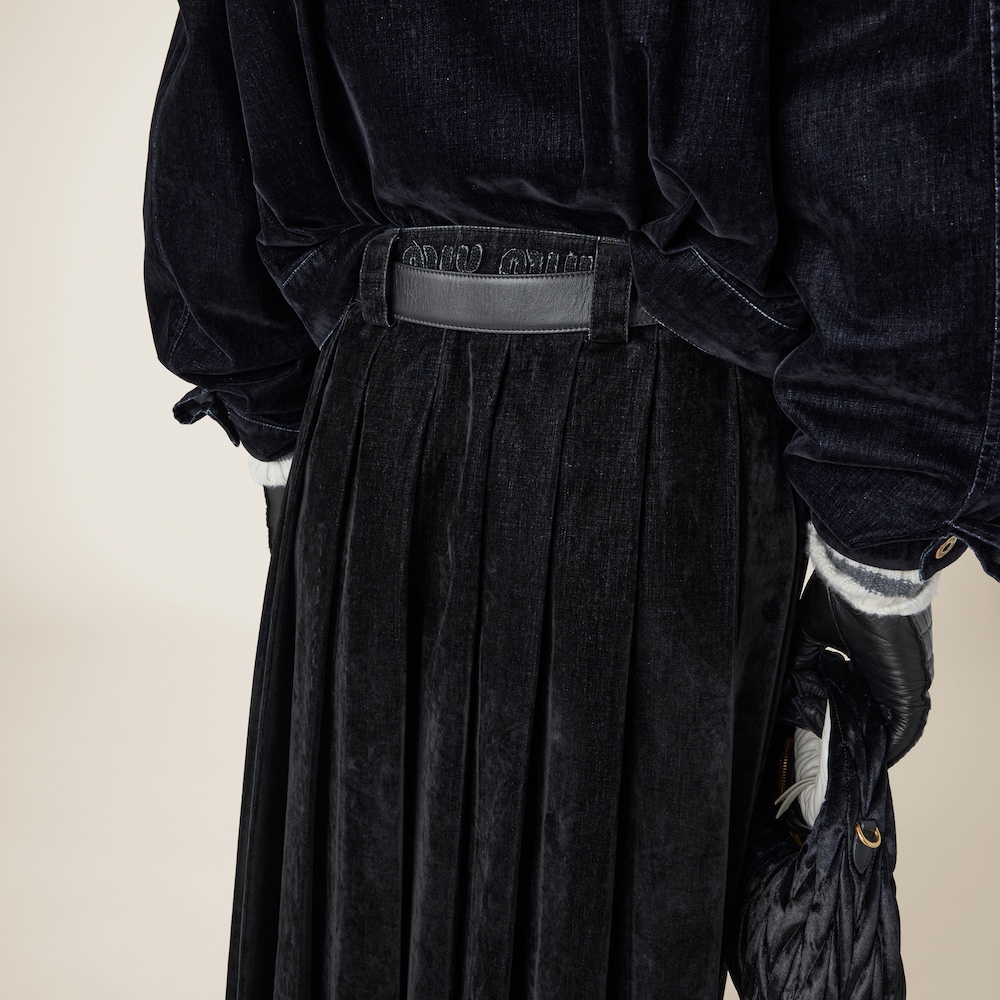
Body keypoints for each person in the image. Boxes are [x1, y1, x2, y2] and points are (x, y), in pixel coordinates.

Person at [143, 2, 998, 998]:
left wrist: (279, 428)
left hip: (375, 418)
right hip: (662, 437)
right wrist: (876, 555)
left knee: (348, 946)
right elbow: (890, 92)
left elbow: (220, 80)